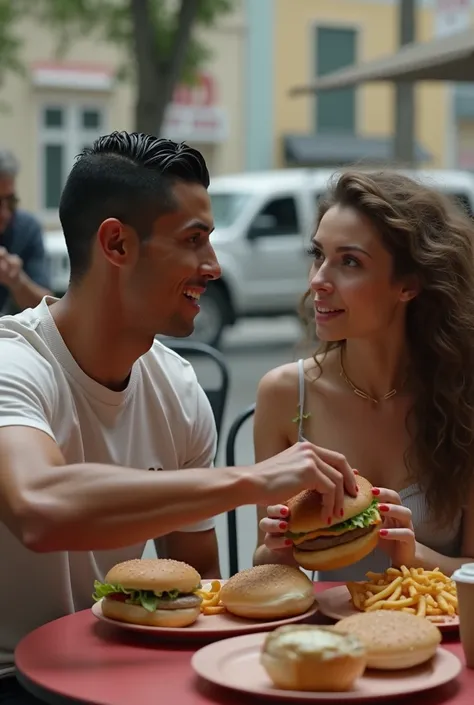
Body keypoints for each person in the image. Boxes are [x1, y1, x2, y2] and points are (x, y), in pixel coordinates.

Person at [0, 131, 359, 702]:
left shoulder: (177, 386)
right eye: (194, 241)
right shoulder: (13, 363)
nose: (213, 266)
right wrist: (249, 481)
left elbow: (201, 596)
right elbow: (38, 506)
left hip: (114, 670)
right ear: (116, 244)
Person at [254, 170, 474, 581]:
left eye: (349, 262)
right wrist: (275, 551)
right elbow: (269, 571)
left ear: (408, 284)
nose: (318, 280)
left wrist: (414, 556)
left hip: (443, 637)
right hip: (327, 640)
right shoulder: (285, 395)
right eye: (318, 255)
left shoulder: (463, 396)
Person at [0, 149, 51, 312]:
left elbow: (47, 308)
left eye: (11, 201)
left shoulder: (27, 229)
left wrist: (17, 281)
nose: (4, 213)